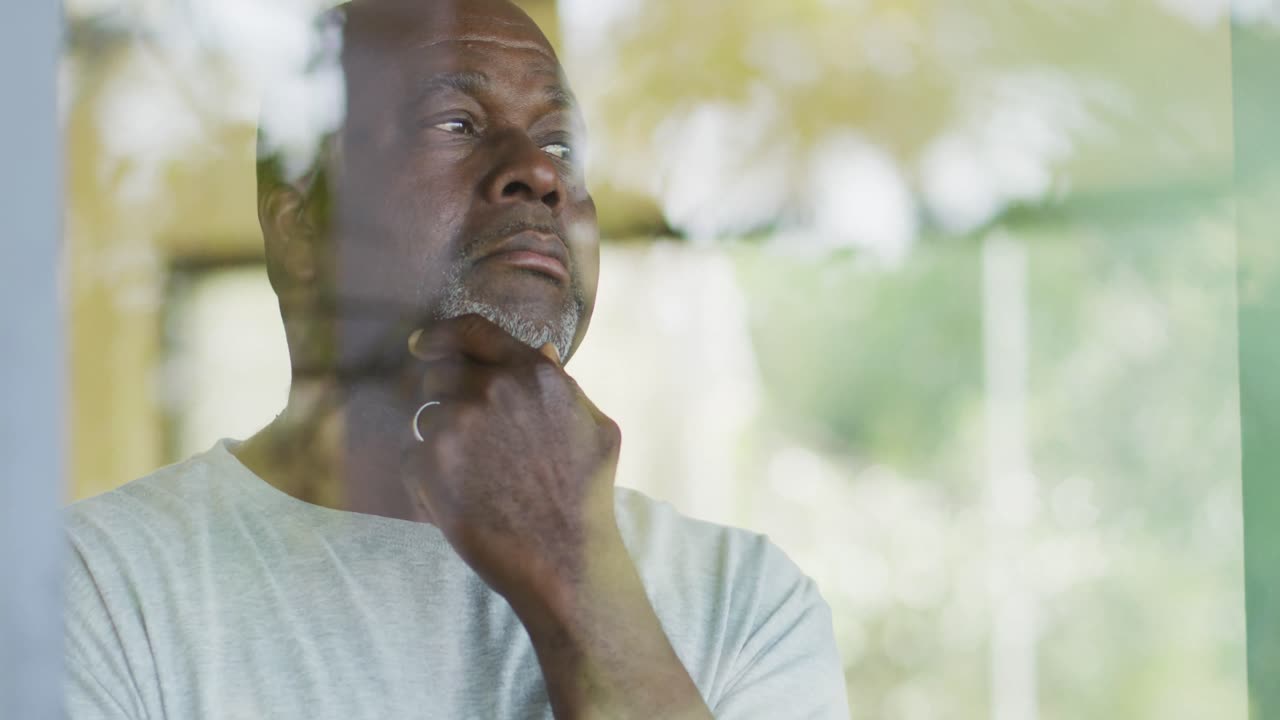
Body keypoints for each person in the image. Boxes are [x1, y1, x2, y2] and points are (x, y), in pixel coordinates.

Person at [64, 1, 850, 717]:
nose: (540, 174)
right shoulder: (89, 588)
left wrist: (573, 571)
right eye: (456, 123)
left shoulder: (742, 603)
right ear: (302, 230)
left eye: (560, 143)